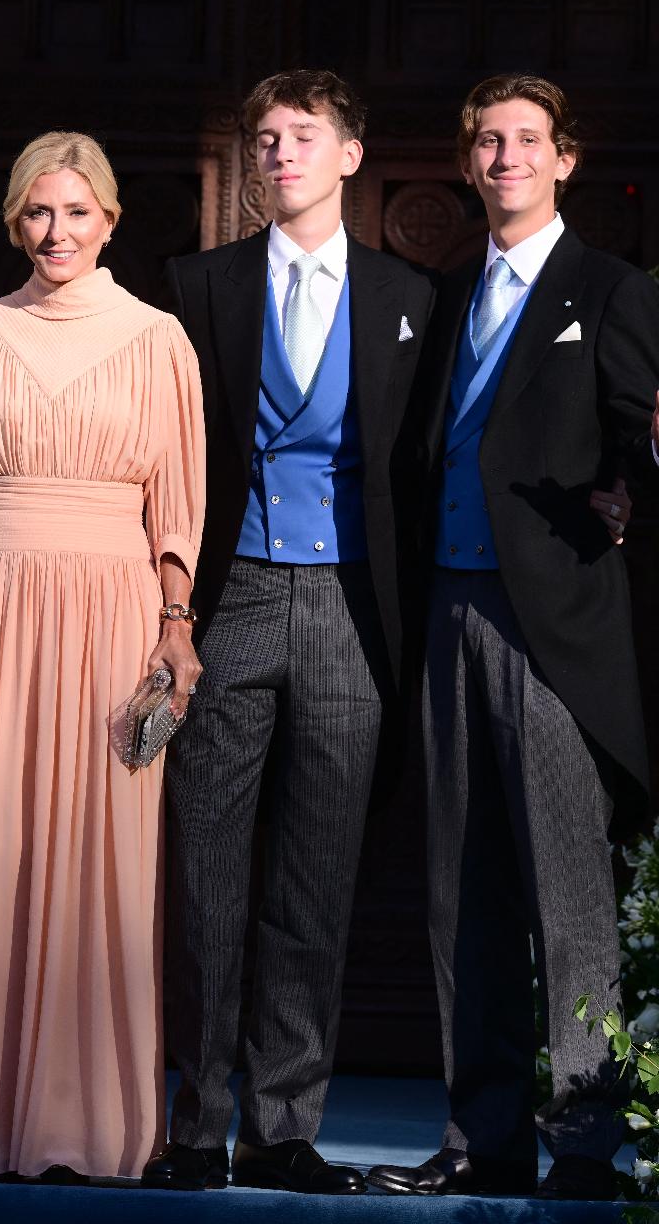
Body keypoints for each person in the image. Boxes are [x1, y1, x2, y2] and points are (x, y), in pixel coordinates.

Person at [138, 70, 435, 1196]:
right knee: (205, 879)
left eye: (304, 136)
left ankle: (281, 1127)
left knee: (314, 883)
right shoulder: (198, 284)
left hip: (354, 608)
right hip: (235, 598)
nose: (281, 155)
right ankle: (196, 1127)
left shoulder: (412, 294)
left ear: (351, 155)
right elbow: (151, 437)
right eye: (266, 139)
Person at [0, 131, 205, 1181]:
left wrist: (174, 626)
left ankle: (83, 1128)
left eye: (76, 211)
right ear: (14, 223)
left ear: (110, 220)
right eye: (37, 211)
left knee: (101, 858)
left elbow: (179, 504)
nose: (56, 231)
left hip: (114, 610)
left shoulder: (159, 338)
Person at [367, 73, 659, 1203]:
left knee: (568, 895)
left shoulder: (611, 289)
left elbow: (639, 433)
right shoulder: (443, 296)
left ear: (565, 159)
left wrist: (636, 481)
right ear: (467, 161)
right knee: (463, 891)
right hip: (448, 607)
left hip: (550, 626)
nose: (506, 159)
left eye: (528, 140)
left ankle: (586, 1146)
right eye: (488, 141)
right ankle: (479, 1139)